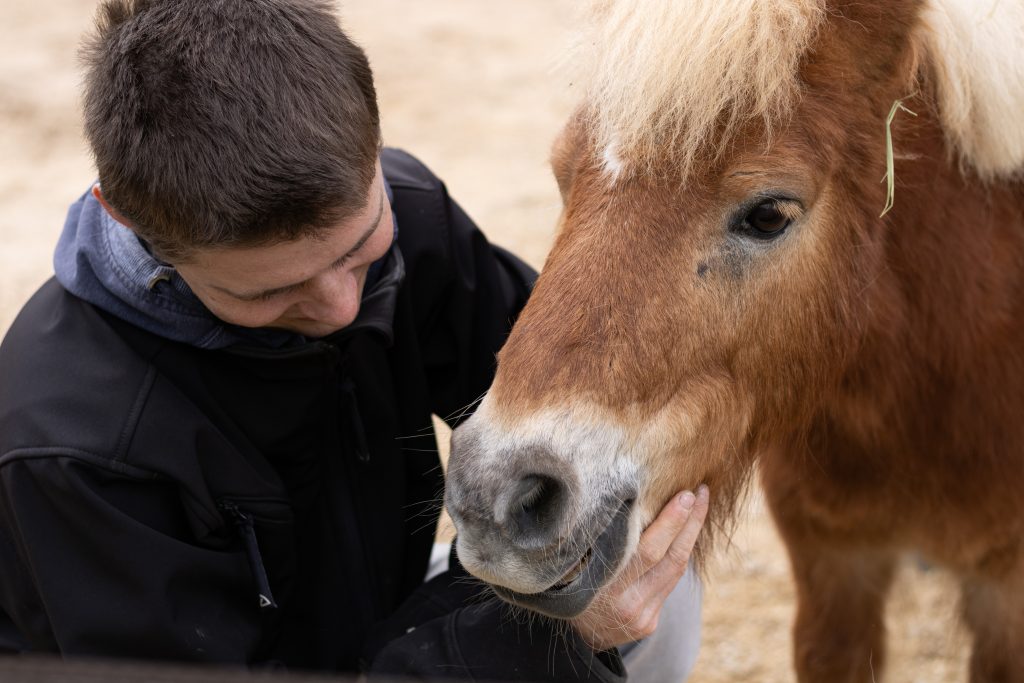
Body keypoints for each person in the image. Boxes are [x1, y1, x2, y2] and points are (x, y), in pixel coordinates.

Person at [0, 0, 709, 680]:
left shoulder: (411, 215)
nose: (342, 306)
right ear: (126, 220)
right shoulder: (73, 450)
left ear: (374, 146)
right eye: (268, 293)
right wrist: (546, 635)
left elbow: (571, 402)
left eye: (359, 251)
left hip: (378, 627)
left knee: (635, 574)